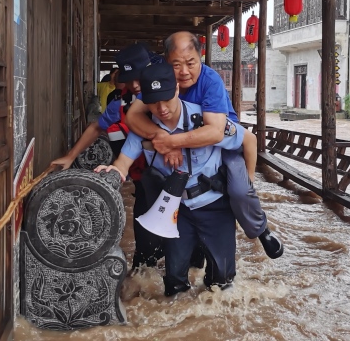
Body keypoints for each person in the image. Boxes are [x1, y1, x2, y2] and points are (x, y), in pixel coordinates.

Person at [124, 31, 283, 260]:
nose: (184, 72)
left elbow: (216, 132)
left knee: (240, 189)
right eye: (176, 65)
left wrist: (172, 142)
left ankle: (260, 230)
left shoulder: (210, 80)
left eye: (191, 63)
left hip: (219, 145)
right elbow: (133, 116)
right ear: (166, 62)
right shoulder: (161, 79)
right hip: (180, 147)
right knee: (156, 185)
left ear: (201, 57)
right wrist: (163, 137)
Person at [96, 63, 242, 296]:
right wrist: (111, 171)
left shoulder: (206, 120)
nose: (161, 108)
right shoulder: (143, 129)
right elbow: (123, 162)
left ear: (176, 89)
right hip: (176, 212)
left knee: (222, 282)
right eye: (153, 102)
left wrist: (247, 191)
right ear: (144, 99)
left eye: (166, 99)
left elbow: (244, 141)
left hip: (215, 208)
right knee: (174, 282)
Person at [51, 44, 165, 270]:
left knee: (181, 246)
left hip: (172, 178)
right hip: (143, 179)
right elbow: (97, 127)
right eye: (129, 79)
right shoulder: (122, 101)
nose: (134, 85)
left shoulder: (165, 96)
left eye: (138, 78)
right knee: (144, 249)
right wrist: (70, 156)